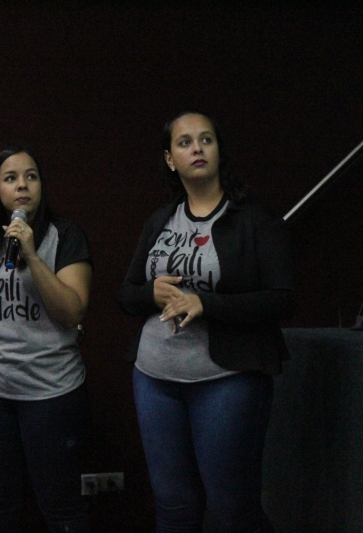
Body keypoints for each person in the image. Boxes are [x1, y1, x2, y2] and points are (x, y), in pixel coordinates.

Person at [118, 112, 295, 533]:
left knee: (233, 510)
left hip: (227, 380)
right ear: (170, 159)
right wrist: (150, 294)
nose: (196, 148)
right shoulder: (160, 220)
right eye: (184, 142)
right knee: (173, 507)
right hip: (154, 378)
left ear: (218, 151)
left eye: (206, 140)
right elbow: (126, 295)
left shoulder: (254, 219)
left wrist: (207, 304)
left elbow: (283, 299)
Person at [0, 144, 93, 533]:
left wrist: (32, 256)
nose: (22, 186)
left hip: (51, 393)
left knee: (61, 507)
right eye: (11, 178)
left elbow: (72, 312)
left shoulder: (65, 236)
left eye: (31, 177)